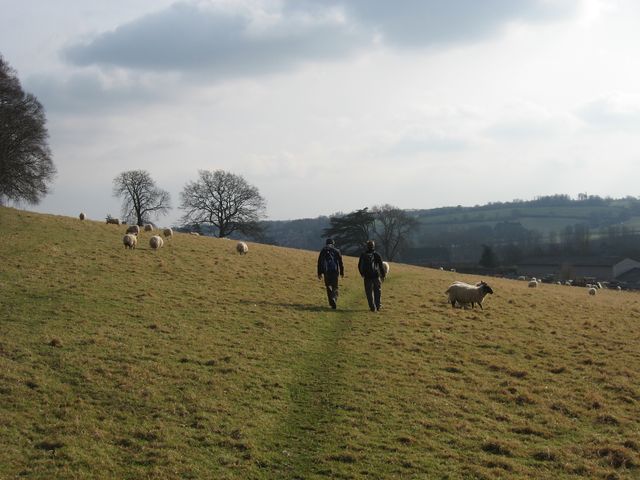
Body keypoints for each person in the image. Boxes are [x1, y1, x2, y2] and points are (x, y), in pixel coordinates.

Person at [358, 239, 386, 312]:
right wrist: (383, 275)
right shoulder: (377, 255)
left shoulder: (363, 255)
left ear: (367, 246)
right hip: (376, 276)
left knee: (369, 293)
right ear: (373, 246)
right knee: (377, 291)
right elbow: (381, 266)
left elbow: (359, 265)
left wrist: (362, 274)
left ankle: (372, 307)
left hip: (367, 277)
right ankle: (378, 305)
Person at [317, 238, 344, 309]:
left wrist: (319, 273)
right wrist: (342, 272)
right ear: (333, 243)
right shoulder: (337, 251)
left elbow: (319, 262)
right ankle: (334, 298)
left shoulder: (323, 250)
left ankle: (331, 302)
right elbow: (340, 263)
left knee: (328, 286)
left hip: (326, 272)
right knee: (335, 286)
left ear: (326, 243)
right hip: (335, 271)